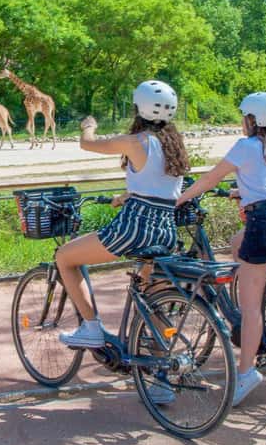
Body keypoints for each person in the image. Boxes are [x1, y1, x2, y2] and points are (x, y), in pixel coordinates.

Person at [175, 92, 266, 407]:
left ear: (252, 119)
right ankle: (264, 316)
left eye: (244, 116)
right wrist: (241, 190)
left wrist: (178, 198)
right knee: (237, 246)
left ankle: (246, 372)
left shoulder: (246, 146)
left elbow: (210, 177)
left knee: (250, 308)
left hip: (263, 222)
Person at [56, 80, 189, 359]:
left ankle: (91, 327)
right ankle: (165, 369)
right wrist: (128, 194)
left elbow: (88, 144)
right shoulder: (174, 144)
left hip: (134, 227)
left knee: (65, 257)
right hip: (165, 229)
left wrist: (88, 125)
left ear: (138, 109)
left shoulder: (135, 141)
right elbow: (158, 187)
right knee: (150, 301)